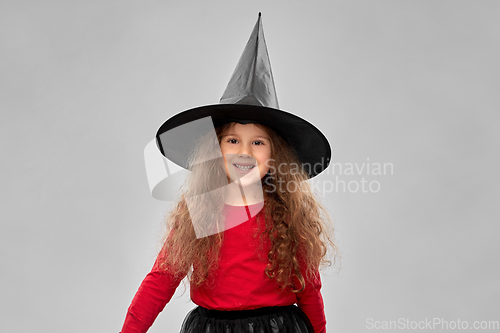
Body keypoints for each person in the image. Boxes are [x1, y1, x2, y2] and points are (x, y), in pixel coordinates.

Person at [120, 13, 338, 333]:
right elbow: (162, 278)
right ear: (215, 150)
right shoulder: (199, 210)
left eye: (258, 142)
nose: (244, 152)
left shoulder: (290, 214)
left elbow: (309, 288)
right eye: (232, 140)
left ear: (275, 154)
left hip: (276, 328)